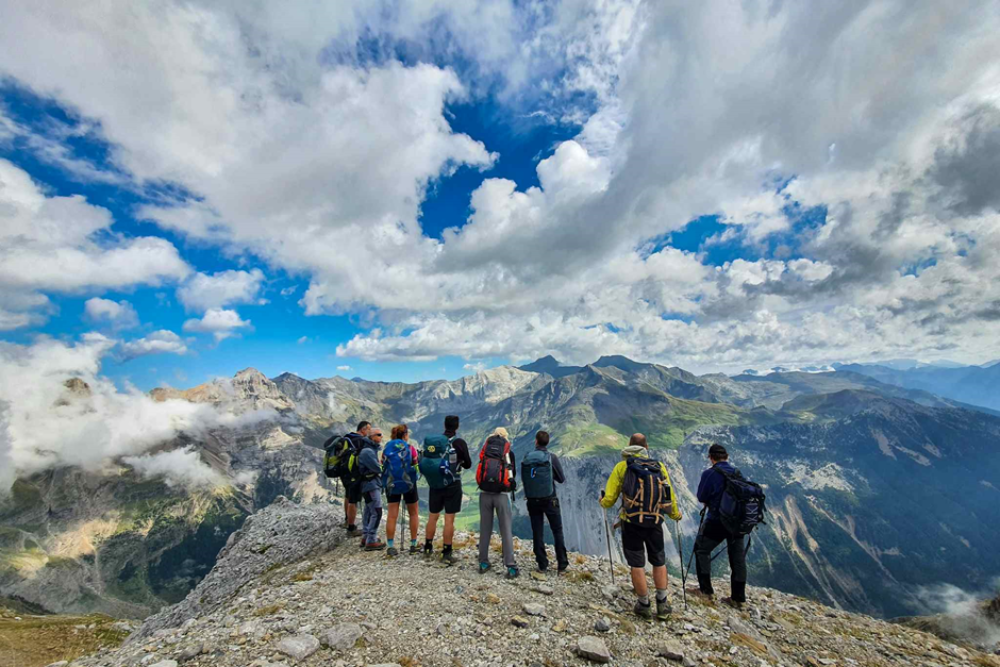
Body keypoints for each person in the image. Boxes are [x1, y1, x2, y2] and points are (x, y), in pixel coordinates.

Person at [599, 433, 682, 620]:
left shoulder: (622, 467)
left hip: (631, 522)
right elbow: (669, 495)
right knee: (659, 561)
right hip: (655, 522)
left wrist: (603, 502)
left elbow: (610, 498)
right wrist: (675, 515)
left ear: (629, 446)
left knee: (637, 564)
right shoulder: (659, 466)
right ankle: (662, 603)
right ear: (646, 447)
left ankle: (644, 605)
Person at [693, 443, 748, 609]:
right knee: (737, 559)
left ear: (711, 458)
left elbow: (701, 496)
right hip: (737, 522)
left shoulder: (709, 473)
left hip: (717, 521)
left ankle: (706, 592)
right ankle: (738, 599)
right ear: (727, 457)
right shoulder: (737, 473)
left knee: (702, 550)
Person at [423, 414, 472, 564]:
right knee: (449, 519)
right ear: (457, 426)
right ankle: (446, 552)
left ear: (445, 425)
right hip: (453, 484)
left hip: (435, 484)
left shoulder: (436, 443)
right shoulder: (459, 443)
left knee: (433, 516)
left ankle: (427, 547)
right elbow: (468, 464)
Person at [522, 430, 569, 573]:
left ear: (536, 441)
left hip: (532, 500)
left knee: (537, 531)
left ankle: (542, 564)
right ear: (547, 442)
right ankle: (562, 564)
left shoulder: (528, 457)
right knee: (557, 531)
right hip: (550, 499)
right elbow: (561, 479)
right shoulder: (551, 457)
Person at [476, 427, 518, 578]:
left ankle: (483, 562)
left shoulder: (486, 450)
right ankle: (510, 566)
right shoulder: (508, 453)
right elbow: (512, 474)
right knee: (505, 529)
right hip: (501, 495)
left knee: (485, 529)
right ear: (506, 437)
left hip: (484, 493)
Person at [382, 423, 420, 556]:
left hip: (391, 483)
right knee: (413, 513)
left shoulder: (387, 448)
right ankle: (413, 544)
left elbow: (383, 464)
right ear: (405, 435)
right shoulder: (410, 448)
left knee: (392, 515)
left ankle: (390, 546)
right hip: (409, 483)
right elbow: (415, 465)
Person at [357, 426, 385, 550]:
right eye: (378, 435)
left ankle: (365, 536)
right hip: (371, 484)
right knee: (377, 511)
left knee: (369, 510)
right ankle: (371, 540)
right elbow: (377, 468)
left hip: (367, 484)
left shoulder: (368, 450)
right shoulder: (368, 452)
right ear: (372, 437)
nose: (381, 437)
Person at [343, 421, 373, 534]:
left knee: (348, 495)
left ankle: (347, 520)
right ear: (363, 429)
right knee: (354, 500)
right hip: (355, 475)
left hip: (345, 473)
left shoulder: (348, 437)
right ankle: (351, 528)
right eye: (369, 429)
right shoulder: (362, 441)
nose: (370, 432)